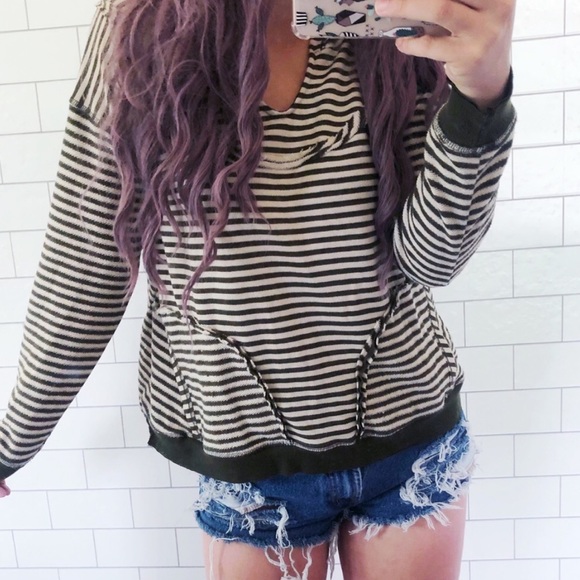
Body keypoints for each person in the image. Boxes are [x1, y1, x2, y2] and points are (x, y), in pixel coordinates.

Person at [0, 0, 516, 578]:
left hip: (409, 437)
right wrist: (9, 443)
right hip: (247, 463)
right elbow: (86, 262)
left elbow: (429, 260)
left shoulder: (391, 16)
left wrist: (481, 100)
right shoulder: (146, 25)